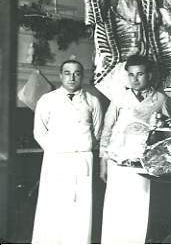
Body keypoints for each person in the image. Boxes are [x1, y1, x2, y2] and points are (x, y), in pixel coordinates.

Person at [32, 60, 103, 245]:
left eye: (77, 73)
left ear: (82, 76)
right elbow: (39, 132)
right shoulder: (47, 100)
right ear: (60, 75)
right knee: (53, 207)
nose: (72, 77)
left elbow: (97, 132)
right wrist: (57, 149)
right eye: (67, 72)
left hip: (82, 160)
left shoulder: (92, 101)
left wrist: (81, 146)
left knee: (80, 210)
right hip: (56, 160)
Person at [100, 55, 169, 244]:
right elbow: (107, 128)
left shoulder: (160, 99)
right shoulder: (119, 97)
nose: (135, 79)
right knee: (115, 205)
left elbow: (166, 129)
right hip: (117, 159)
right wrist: (103, 160)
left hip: (142, 161)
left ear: (149, 75)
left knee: (138, 207)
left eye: (140, 74)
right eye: (131, 75)